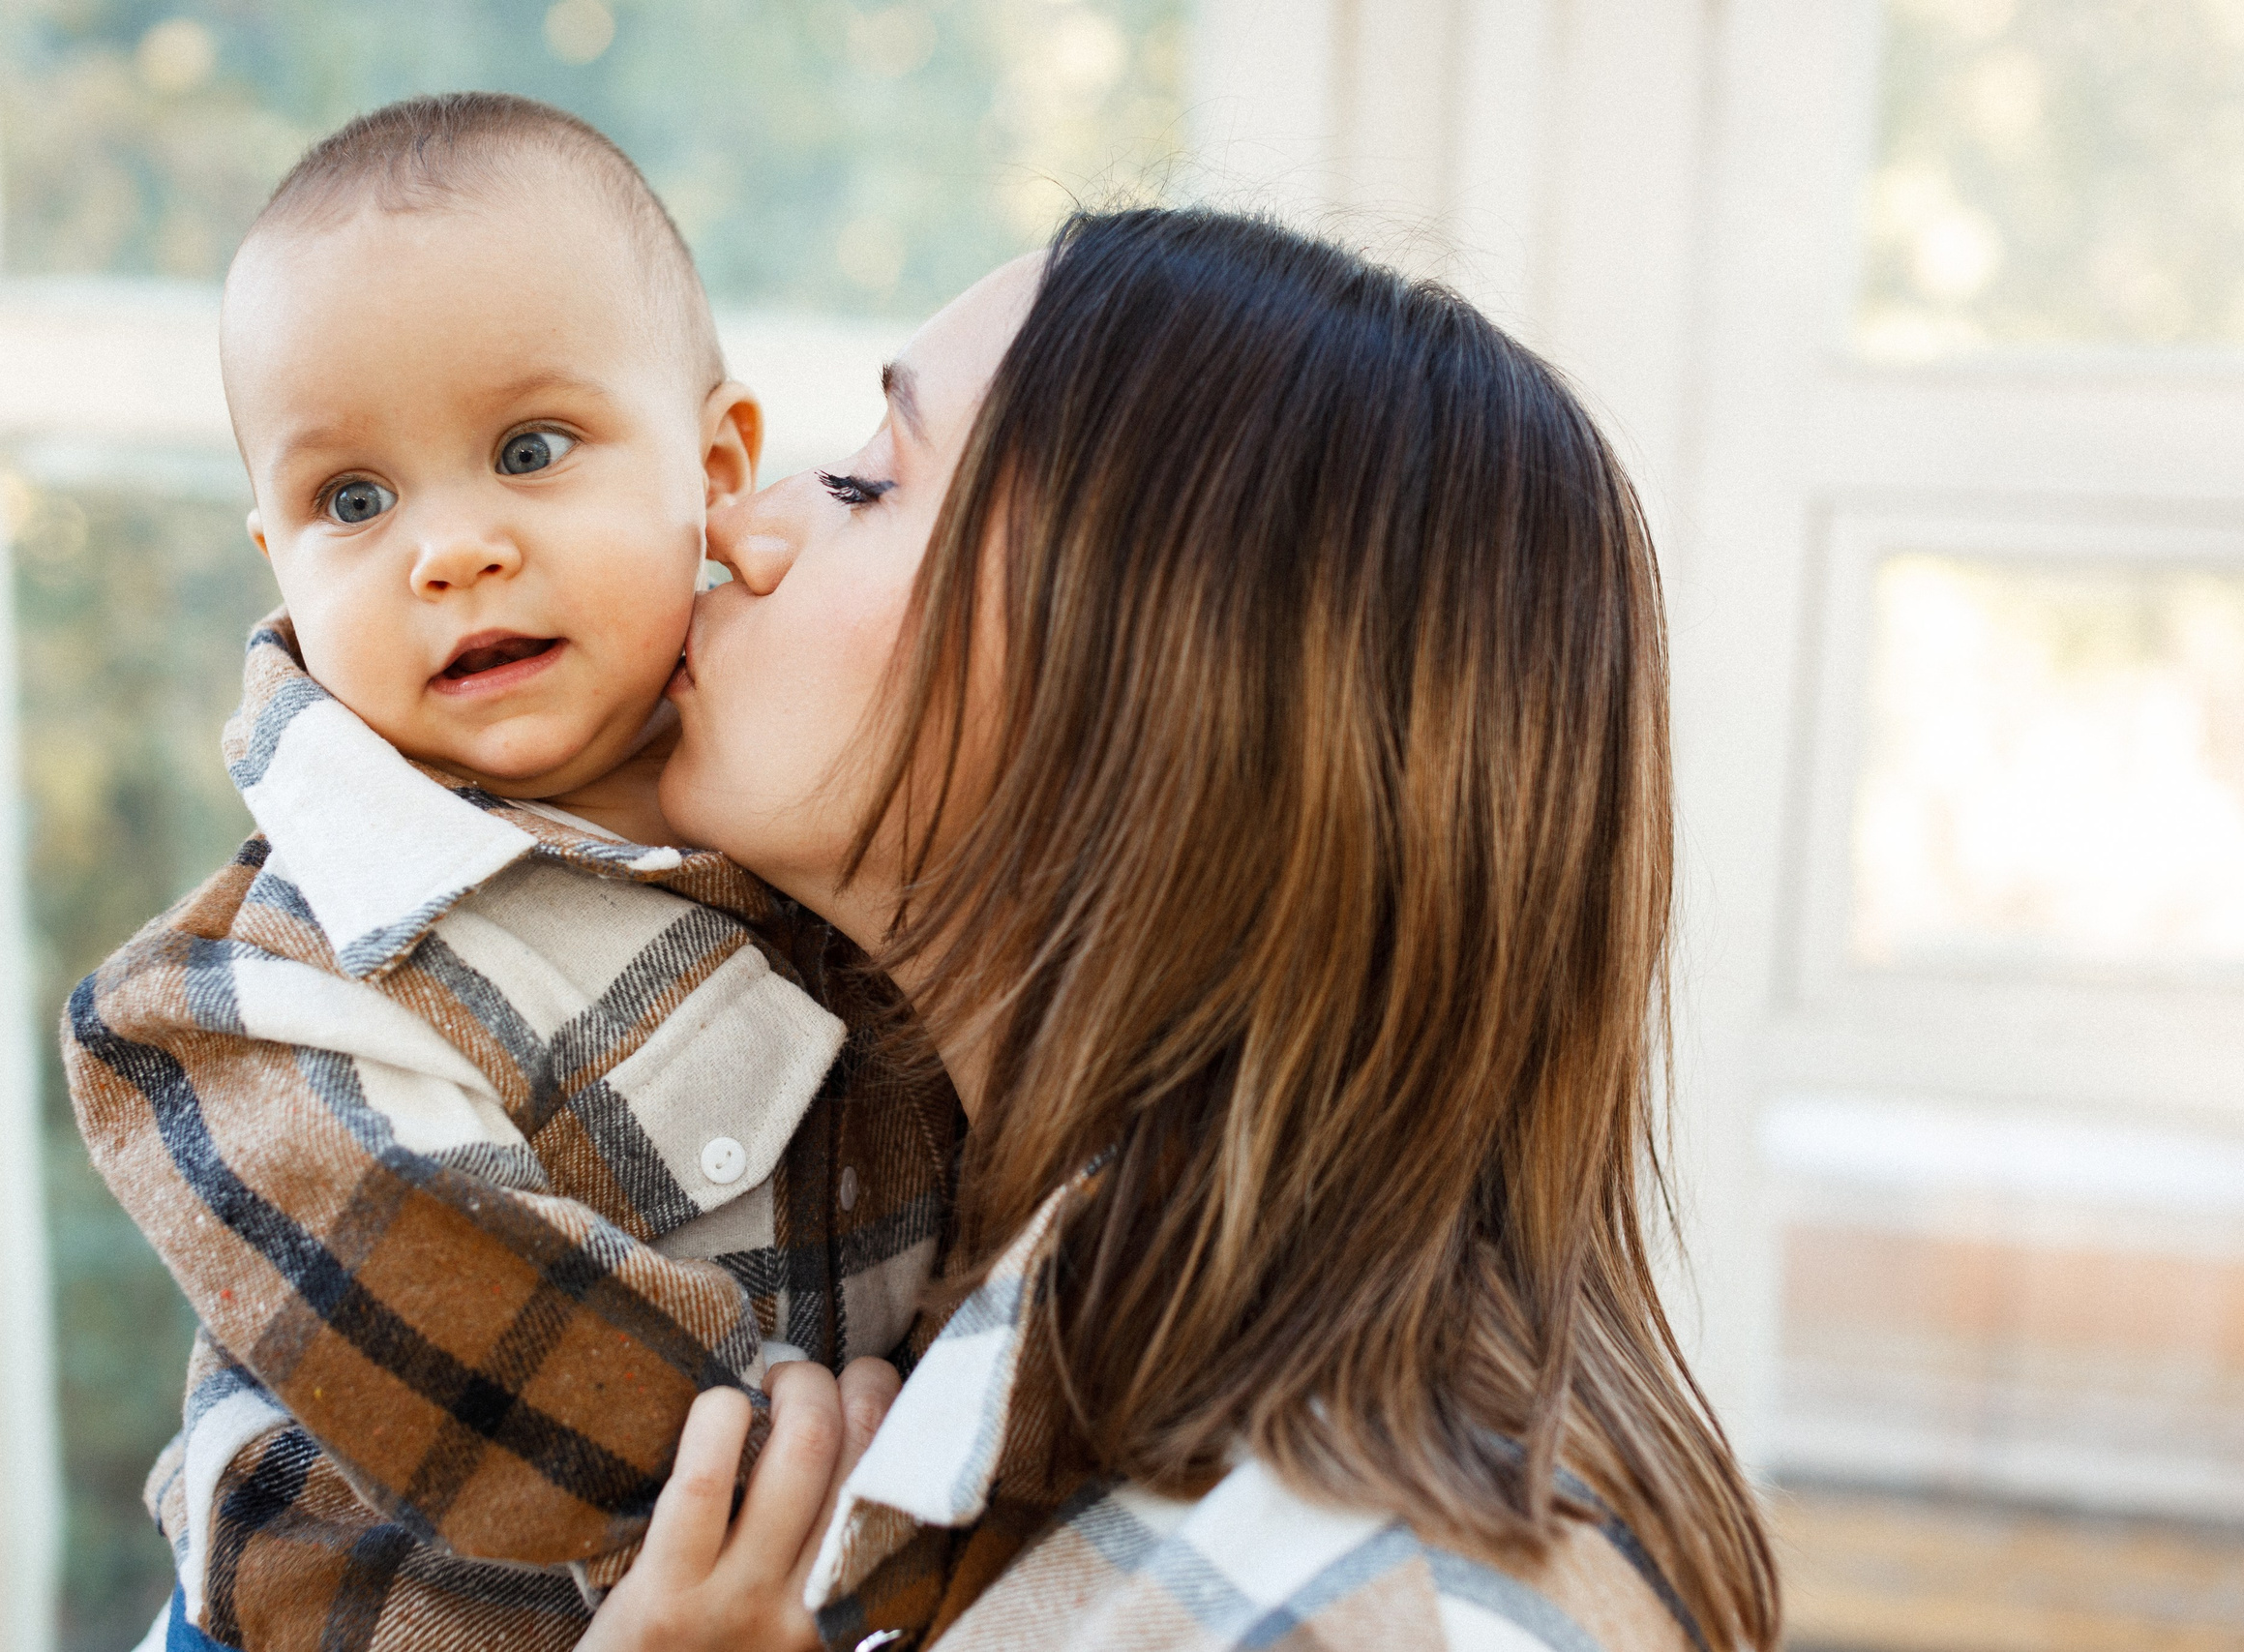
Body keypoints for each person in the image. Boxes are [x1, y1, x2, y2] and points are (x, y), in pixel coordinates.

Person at [602, 207, 1784, 1649]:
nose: (740, 524)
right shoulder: (952, 1342)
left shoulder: (1361, 1609)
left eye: (870, 484)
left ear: (1154, 690)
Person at [64, 93, 952, 1652]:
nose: (449, 552)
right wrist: (880, 1510)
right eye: (353, 501)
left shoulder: (810, 799)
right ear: (279, 559)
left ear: (716, 463)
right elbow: (501, 1353)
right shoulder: (267, 979)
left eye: (530, 451)